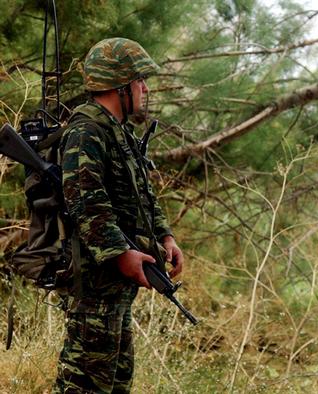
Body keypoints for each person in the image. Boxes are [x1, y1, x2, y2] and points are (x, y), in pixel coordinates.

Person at [53, 37, 184, 393]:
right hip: (94, 282)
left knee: (116, 380)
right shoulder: (87, 131)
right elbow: (85, 202)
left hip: (115, 285)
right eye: (139, 80)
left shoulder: (118, 132)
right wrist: (120, 254)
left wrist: (165, 236)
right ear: (119, 86)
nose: (145, 88)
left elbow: (142, 193)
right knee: (83, 382)